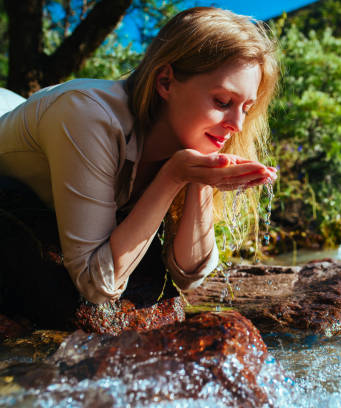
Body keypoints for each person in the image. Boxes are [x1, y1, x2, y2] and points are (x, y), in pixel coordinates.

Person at [0, 7, 279, 322]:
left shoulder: (188, 138)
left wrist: (200, 176)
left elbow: (190, 275)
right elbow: (97, 287)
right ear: (165, 82)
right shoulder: (88, 117)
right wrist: (173, 177)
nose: (238, 125)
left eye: (246, 107)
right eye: (223, 102)